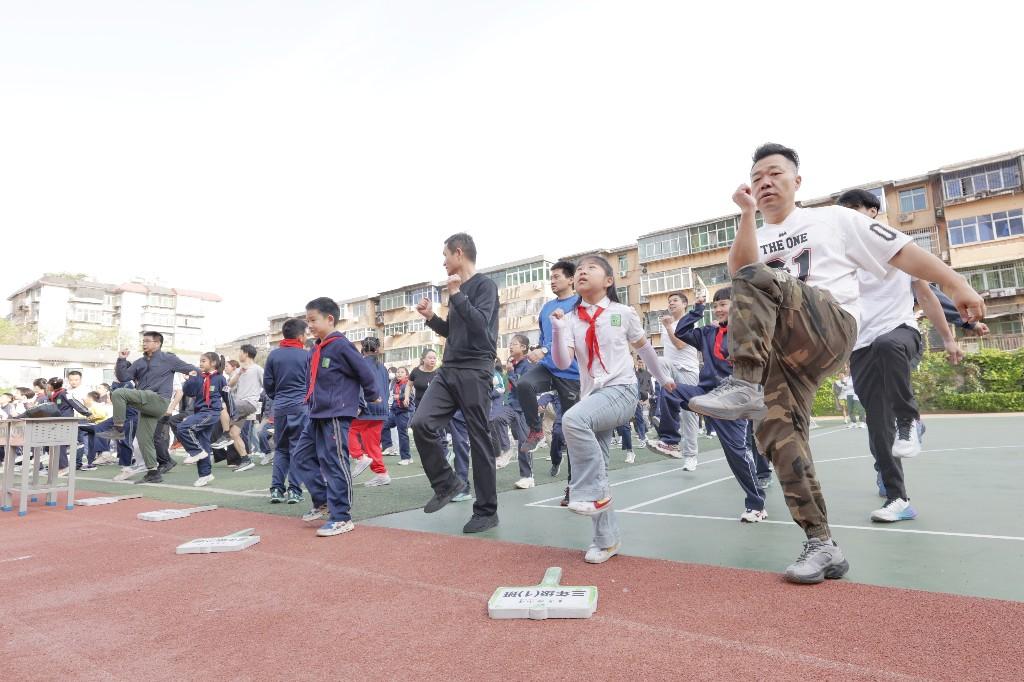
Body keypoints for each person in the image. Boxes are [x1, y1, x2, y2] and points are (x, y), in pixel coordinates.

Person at [688, 143, 985, 584]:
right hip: (782, 353)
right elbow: (740, 271)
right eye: (757, 178)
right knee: (779, 438)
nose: (765, 182)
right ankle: (821, 543)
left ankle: (744, 384)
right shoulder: (755, 232)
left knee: (754, 276)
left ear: (797, 181)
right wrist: (747, 214)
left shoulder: (833, 219)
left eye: (774, 173)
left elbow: (901, 251)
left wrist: (956, 283)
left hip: (829, 325)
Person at [836, 188, 965, 522]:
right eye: (843, 212)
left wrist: (948, 339)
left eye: (854, 209)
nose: (848, 217)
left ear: (873, 211)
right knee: (878, 428)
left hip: (901, 332)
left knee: (887, 344)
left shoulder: (898, 248)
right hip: (861, 347)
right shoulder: (841, 259)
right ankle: (898, 500)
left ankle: (909, 420)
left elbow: (928, 296)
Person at [550, 255, 675, 564]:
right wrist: (557, 330)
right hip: (593, 398)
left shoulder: (623, 313)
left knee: (572, 420)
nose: (581, 272)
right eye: (579, 269)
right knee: (599, 468)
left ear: (608, 281)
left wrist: (663, 379)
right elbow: (563, 362)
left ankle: (584, 493)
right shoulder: (570, 319)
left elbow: (645, 350)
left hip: (622, 391)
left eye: (590, 268)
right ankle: (606, 541)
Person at [410, 233, 501, 534]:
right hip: (449, 370)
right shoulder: (456, 290)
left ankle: (486, 511)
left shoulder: (484, 286)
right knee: (421, 423)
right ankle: (446, 483)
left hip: (476, 369)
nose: (443, 262)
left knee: (478, 439)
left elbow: (481, 328)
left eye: (445, 255)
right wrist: (431, 317)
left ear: (459, 253)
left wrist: (457, 295)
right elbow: (455, 330)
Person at [651, 288, 767, 522]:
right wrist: (697, 310)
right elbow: (681, 332)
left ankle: (756, 505)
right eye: (715, 306)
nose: (718, 310)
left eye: (723, 304)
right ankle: (671, 441)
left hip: (732, 400)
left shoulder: (748, 333)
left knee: (737, 455)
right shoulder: (707, 332)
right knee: (670, 389)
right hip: (705, 394)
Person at [291, 297, 380, 537]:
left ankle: (342, 516)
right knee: (300, 456)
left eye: (313, 320)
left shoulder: (341, 345)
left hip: (336, 413)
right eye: (307, 321)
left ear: (329, 319)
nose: (309, 326)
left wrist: (372, 395)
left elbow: (364, 371)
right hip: (316, 412)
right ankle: (323, 501)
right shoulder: (316, 348)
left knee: (334, 461)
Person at [515, 260, 581, 505]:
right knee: (524, 384)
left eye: (557, 277)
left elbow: (575, 337)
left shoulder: (579, 304)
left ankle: (574, 487)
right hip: (548, 367)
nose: (552, 281)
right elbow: (545, 338)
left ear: (571, 279)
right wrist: (539, 350)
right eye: (550, 277)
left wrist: (544, 350)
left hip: (571, 373)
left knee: (572, 432)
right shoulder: (546, 308)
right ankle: (536, 430)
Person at [100, 331, 198, 484]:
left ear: (157, 343)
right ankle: (153, 472)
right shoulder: (139, 362)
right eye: (143, 341)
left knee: (119, 393)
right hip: (146, 403)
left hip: (159, 400)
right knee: (144, 439)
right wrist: (121, 359)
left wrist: (199, 379)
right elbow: (123, 377)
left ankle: (118, 429)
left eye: (147, 341)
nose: (144, 343)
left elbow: (192, 369)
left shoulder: (169, 359)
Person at [262, 317, 311, 504]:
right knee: (297, 449)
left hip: (280, 407)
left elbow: (268, 383)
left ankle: (276, 489)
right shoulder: (306, 356)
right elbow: (312, 383)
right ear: (300, 336)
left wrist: (278, 397)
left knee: (281, 449)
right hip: (300, 407)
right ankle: (294, 490)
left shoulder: (274, 355)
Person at [652, 292, 701, 469]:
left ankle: (691, 456)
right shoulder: (668, 324)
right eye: (669, 301)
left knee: (688, 415)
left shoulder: (689, 322)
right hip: (671, 369)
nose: (671, 303)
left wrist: (667, 327)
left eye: (675, 301)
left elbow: (680, 345)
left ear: (685, 304)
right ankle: (662, 417)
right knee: (658, 361)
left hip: (688, 371)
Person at [179, 352, 229, 487]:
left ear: (213, 363)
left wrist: (233, 413)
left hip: (211, 412)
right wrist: (190, 380)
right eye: (200, 361)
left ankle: (196, 452)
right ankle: (205, 474)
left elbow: (227, 397)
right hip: (200, 412)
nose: (200, 363)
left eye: (203, 361)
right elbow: (189, 392)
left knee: (183, 427)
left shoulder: (220, 378)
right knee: (203, 443)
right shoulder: (199, 377)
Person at [348, 336, 392, 487]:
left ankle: (360, 457)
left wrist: (360, 405)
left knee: (346, 429)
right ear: (377, 349)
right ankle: (382, 474)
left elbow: (360, 386)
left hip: (366, 407)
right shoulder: (383, 368)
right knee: (372, 443)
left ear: (362, 349)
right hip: (381, 409)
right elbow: (386, 390)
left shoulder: (359, 364)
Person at [225, 344, 264, 473]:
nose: (239, 354)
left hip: (249, 403)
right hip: (240, 405)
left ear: (246, 353)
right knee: (234, 434)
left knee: (224, 406)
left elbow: (267, 385)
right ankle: (246, 460)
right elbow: (230, 385)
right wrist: (239, 374)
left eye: (240, 352)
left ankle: (223, 436)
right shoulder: (238, 370)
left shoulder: (257, 369)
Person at [504, 334, 536, 488]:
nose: (510, 346)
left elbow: (523, 388)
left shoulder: (528, 365)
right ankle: (504, 450)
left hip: (524, 409)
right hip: (512, 406)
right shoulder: (514, 364)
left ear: (523, 347)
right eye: (510, 344)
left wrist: (510, 373)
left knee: (524, 441)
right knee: (495, 420)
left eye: (514, 344)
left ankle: (528, 476)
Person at [46, 377, 91, 475]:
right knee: (56, 443)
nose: (47, 386)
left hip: (65, 421)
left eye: (48, 384)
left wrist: (87, 413)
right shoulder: (53, 394)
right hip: (57, 422)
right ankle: (59, 465)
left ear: (53, 385)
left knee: (59, 442)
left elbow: (75, 403)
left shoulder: (65, 393)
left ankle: (64, 466)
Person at [381, 367, 414, 464]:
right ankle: (388, 446)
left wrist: (399, 396)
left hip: (404, 412)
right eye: (398, 372)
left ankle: (406, 458)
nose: (399, 374)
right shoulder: (395, 384)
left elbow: (410, 396)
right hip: (395, 411)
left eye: (402, 372)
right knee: (383, 425)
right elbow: (393, 398)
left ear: (406, 375)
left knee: (402, 434)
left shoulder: (408, 384)